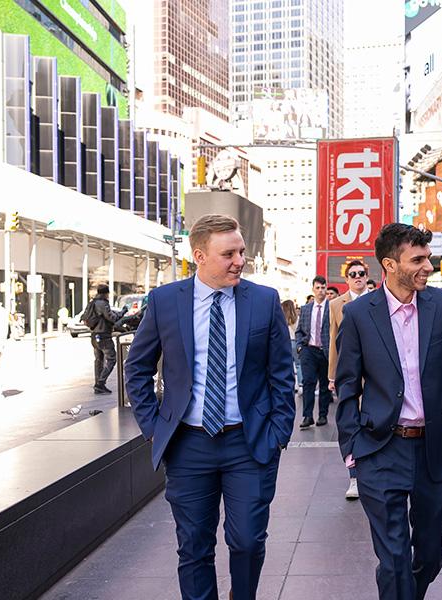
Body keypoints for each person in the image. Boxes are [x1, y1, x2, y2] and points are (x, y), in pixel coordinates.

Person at [124, 214, 295, 600]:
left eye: (241, 252)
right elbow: (137, 368)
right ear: (199, 256)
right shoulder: (165, 301)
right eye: (228, 254)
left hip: (249, 443)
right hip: (188, 445)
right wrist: (154, 426)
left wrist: (278, 432)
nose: (239, 261)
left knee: (248, 540)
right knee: (194, 545)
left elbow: (282, 374)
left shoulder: (263, 300)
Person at [335, 223, 442, 600]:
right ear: (390, 265)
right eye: (418, 259)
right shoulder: (358, 314)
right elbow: (347, 385)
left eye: (428, 257)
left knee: (428, 554)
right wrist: (351, 447)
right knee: (393, 560)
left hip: (435, 449)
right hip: (380, 448)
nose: (428, 266)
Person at [327, 259, 371, 500]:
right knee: (350, 423)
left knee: (373, 422)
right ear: (346, 279)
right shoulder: (336, 304)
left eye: (361, 273)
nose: (357, 277)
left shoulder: (378, 299)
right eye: (352, 274)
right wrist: (332, 375)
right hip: (348, 374)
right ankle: (354, 477)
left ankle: (372, 472)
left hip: (375, 374)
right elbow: (334, 342)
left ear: (367, 276)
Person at [295, 276, 332, 428]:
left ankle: (322, 415)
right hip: (308, 350)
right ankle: (307, 416)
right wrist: (300, 346)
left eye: (323, 288)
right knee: (308, 382)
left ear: (326, 289)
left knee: (324, 384)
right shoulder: (305, 309)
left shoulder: (332, 307)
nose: (321, 291)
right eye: (318, 288)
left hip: (326, 351)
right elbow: (299, 330)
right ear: (313, 289)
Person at [84, 284, 126, 394]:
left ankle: (98, 384)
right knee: (112, 359)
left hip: (94, 335)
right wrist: (122, 312)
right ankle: (100, 383)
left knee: (98, 360)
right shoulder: (103, 303)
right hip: (104, 335)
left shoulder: (92, 302)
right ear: (106, 293)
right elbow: (112, 318)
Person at [281, 299, 301, 391]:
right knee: (298, 364)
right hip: (295, 342)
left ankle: (291, 384)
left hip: (285, 342)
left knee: (288, 365)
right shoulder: (297, 319)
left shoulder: (282, 319)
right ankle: (300, 384)